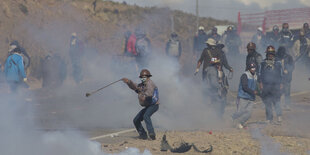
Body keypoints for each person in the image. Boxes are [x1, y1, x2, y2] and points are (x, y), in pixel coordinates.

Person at [195, 38, 233, 118]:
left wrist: (229, 68)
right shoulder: (206, 51)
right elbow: (201, 61)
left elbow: (224, 64)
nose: (219, 48)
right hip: (208, 75)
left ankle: (220, 111)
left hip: (220, 74)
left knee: (222, 91)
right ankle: (207, 111)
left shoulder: (221, 54)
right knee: (208, 91)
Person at [122, 69, 159, 140]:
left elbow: (149, 93)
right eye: (141, 77)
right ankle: (143, 135)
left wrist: (144, 97)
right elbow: (135, 87)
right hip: (148, 106)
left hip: (154, 105)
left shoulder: (150, 83)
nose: (143, 78)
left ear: (148, 77)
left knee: (146, 116)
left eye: (144, 77)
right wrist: (128, 82)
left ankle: (152, 134)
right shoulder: (142, 85)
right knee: (136, 120)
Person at [259, 45, 283, 124]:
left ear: (274, 54)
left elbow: (281, 74)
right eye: (269, 53)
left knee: (276, 102)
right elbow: (259, 74)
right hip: (266, 86)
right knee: (267, 102)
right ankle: (269, 118)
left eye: (271, 53)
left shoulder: (278, 63)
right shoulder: (262, 63)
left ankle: (279, 117)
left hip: (275, 85)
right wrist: (260, 83)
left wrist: (281, 83)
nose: (270, 55)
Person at [232, 62, 258, 129]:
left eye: (254, 68)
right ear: (249, 68)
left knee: (248, 113)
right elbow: (244, 87)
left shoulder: (256, 76)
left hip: (251, 98)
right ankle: (231, 119)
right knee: (240, 112)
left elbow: (256, 87)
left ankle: (240, 123)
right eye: (251, 68)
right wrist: (253, 92)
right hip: (243, 97)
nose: (253, 69)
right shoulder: (245, 75)